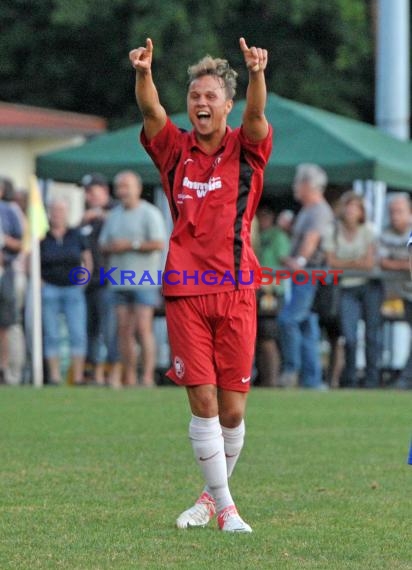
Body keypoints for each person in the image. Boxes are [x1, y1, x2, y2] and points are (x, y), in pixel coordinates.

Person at [130, 36, 272, 532]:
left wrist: (256, 74)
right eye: (194, 96)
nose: (201, 104)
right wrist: (144, 73)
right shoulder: (174, 150)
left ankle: (209, 499)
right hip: (185, 290)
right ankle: (228, 509)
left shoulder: (247, 148)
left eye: (210, 96)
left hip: (237, 290)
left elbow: (258, 117)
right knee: (204, 401)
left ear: (226, 105)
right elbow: (151, 112)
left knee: (232, 412)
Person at [99, 170, 166, 387]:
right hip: (118, 280)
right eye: (119, 187)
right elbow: (103, 244)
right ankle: (129, 376)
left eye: (126, 187)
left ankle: (147, 376)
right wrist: (111, 247)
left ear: (137, 188)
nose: (123, 192)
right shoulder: (114, 215)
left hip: (144, 280)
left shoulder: (150, 213)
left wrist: (130, 245)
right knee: (123, 331)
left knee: (143, 329)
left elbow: (158, 243)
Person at [277, 164, 334, 389]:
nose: (294, 187)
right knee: (307, 325)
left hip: (308, 274)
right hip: (306, 274)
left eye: (297, 182)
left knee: (288, 319)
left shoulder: (318, 210)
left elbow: (312, 239)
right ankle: (313, 380)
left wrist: (298, 262)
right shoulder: (309, 210)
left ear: (308, 185)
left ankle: (292, 369)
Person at [324, 191, 383, 388]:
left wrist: (345, 264)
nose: (350, 211)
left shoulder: (370, 231)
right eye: (347, 206)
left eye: (355, 207)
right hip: (346, 288)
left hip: (369, 287)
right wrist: (355, 263)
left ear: (361, 212)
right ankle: (349, 380)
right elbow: (331, 262)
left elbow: (368, 263)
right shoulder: (333, 230)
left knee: (372, 335)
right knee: (349, 337)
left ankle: (372, 380)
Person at [40, 199, 92, 386]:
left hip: (73, 290)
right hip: (50, 289)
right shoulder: (42, 237)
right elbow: (34, 261)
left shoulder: (76, 235)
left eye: (61, 211)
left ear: (67, 213)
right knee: (51, 334)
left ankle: (77, 378)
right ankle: (54, 377)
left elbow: (87, 259)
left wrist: (84, 281)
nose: (57, 214)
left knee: (77, 333)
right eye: (54, 210)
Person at [80, 173, 119, 386]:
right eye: (86, 192)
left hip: (109, 280)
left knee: (109, 330)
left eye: (92, 191)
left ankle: (111, 374)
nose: (88, 196)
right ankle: (92, 373)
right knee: (91, 330)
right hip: (90, 282)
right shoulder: (86, 217)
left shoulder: (116, 212)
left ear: (104, 190)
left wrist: (103, 216)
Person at [255, 205, 291, 386]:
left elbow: (285, 260)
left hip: (272, 291)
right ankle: (262, 378)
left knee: (268, 335)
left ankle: (272, 380)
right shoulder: (255, 236)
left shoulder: (278, 236)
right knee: (257, 337)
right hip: (255, 289)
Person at [379, 193, 412, 389]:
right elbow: (382, 261)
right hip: (402, 294)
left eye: (399, 211)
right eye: (392, 212)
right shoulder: (386, 233)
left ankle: (405, 378)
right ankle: (405, 378)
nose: (395, 215)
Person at [0, 177, 23, 385]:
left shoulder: (9, 211)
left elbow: (23, 243)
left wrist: (4, 241)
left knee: (8, 323)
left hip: (4, 271)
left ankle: (8, 371)